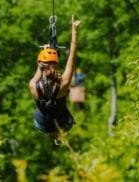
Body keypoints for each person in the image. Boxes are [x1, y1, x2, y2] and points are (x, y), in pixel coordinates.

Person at [29, 16, 81, 145]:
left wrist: (45, 51)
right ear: (57, 67)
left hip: (43, 122)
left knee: (44, 108)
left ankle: (55, 131)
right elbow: (72, 59)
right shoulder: (63, 84)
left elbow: (39, 67)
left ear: (41, 66)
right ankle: (54, 132)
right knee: (61, 116)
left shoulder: (33, 86)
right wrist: (74, 31)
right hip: (46, 124)